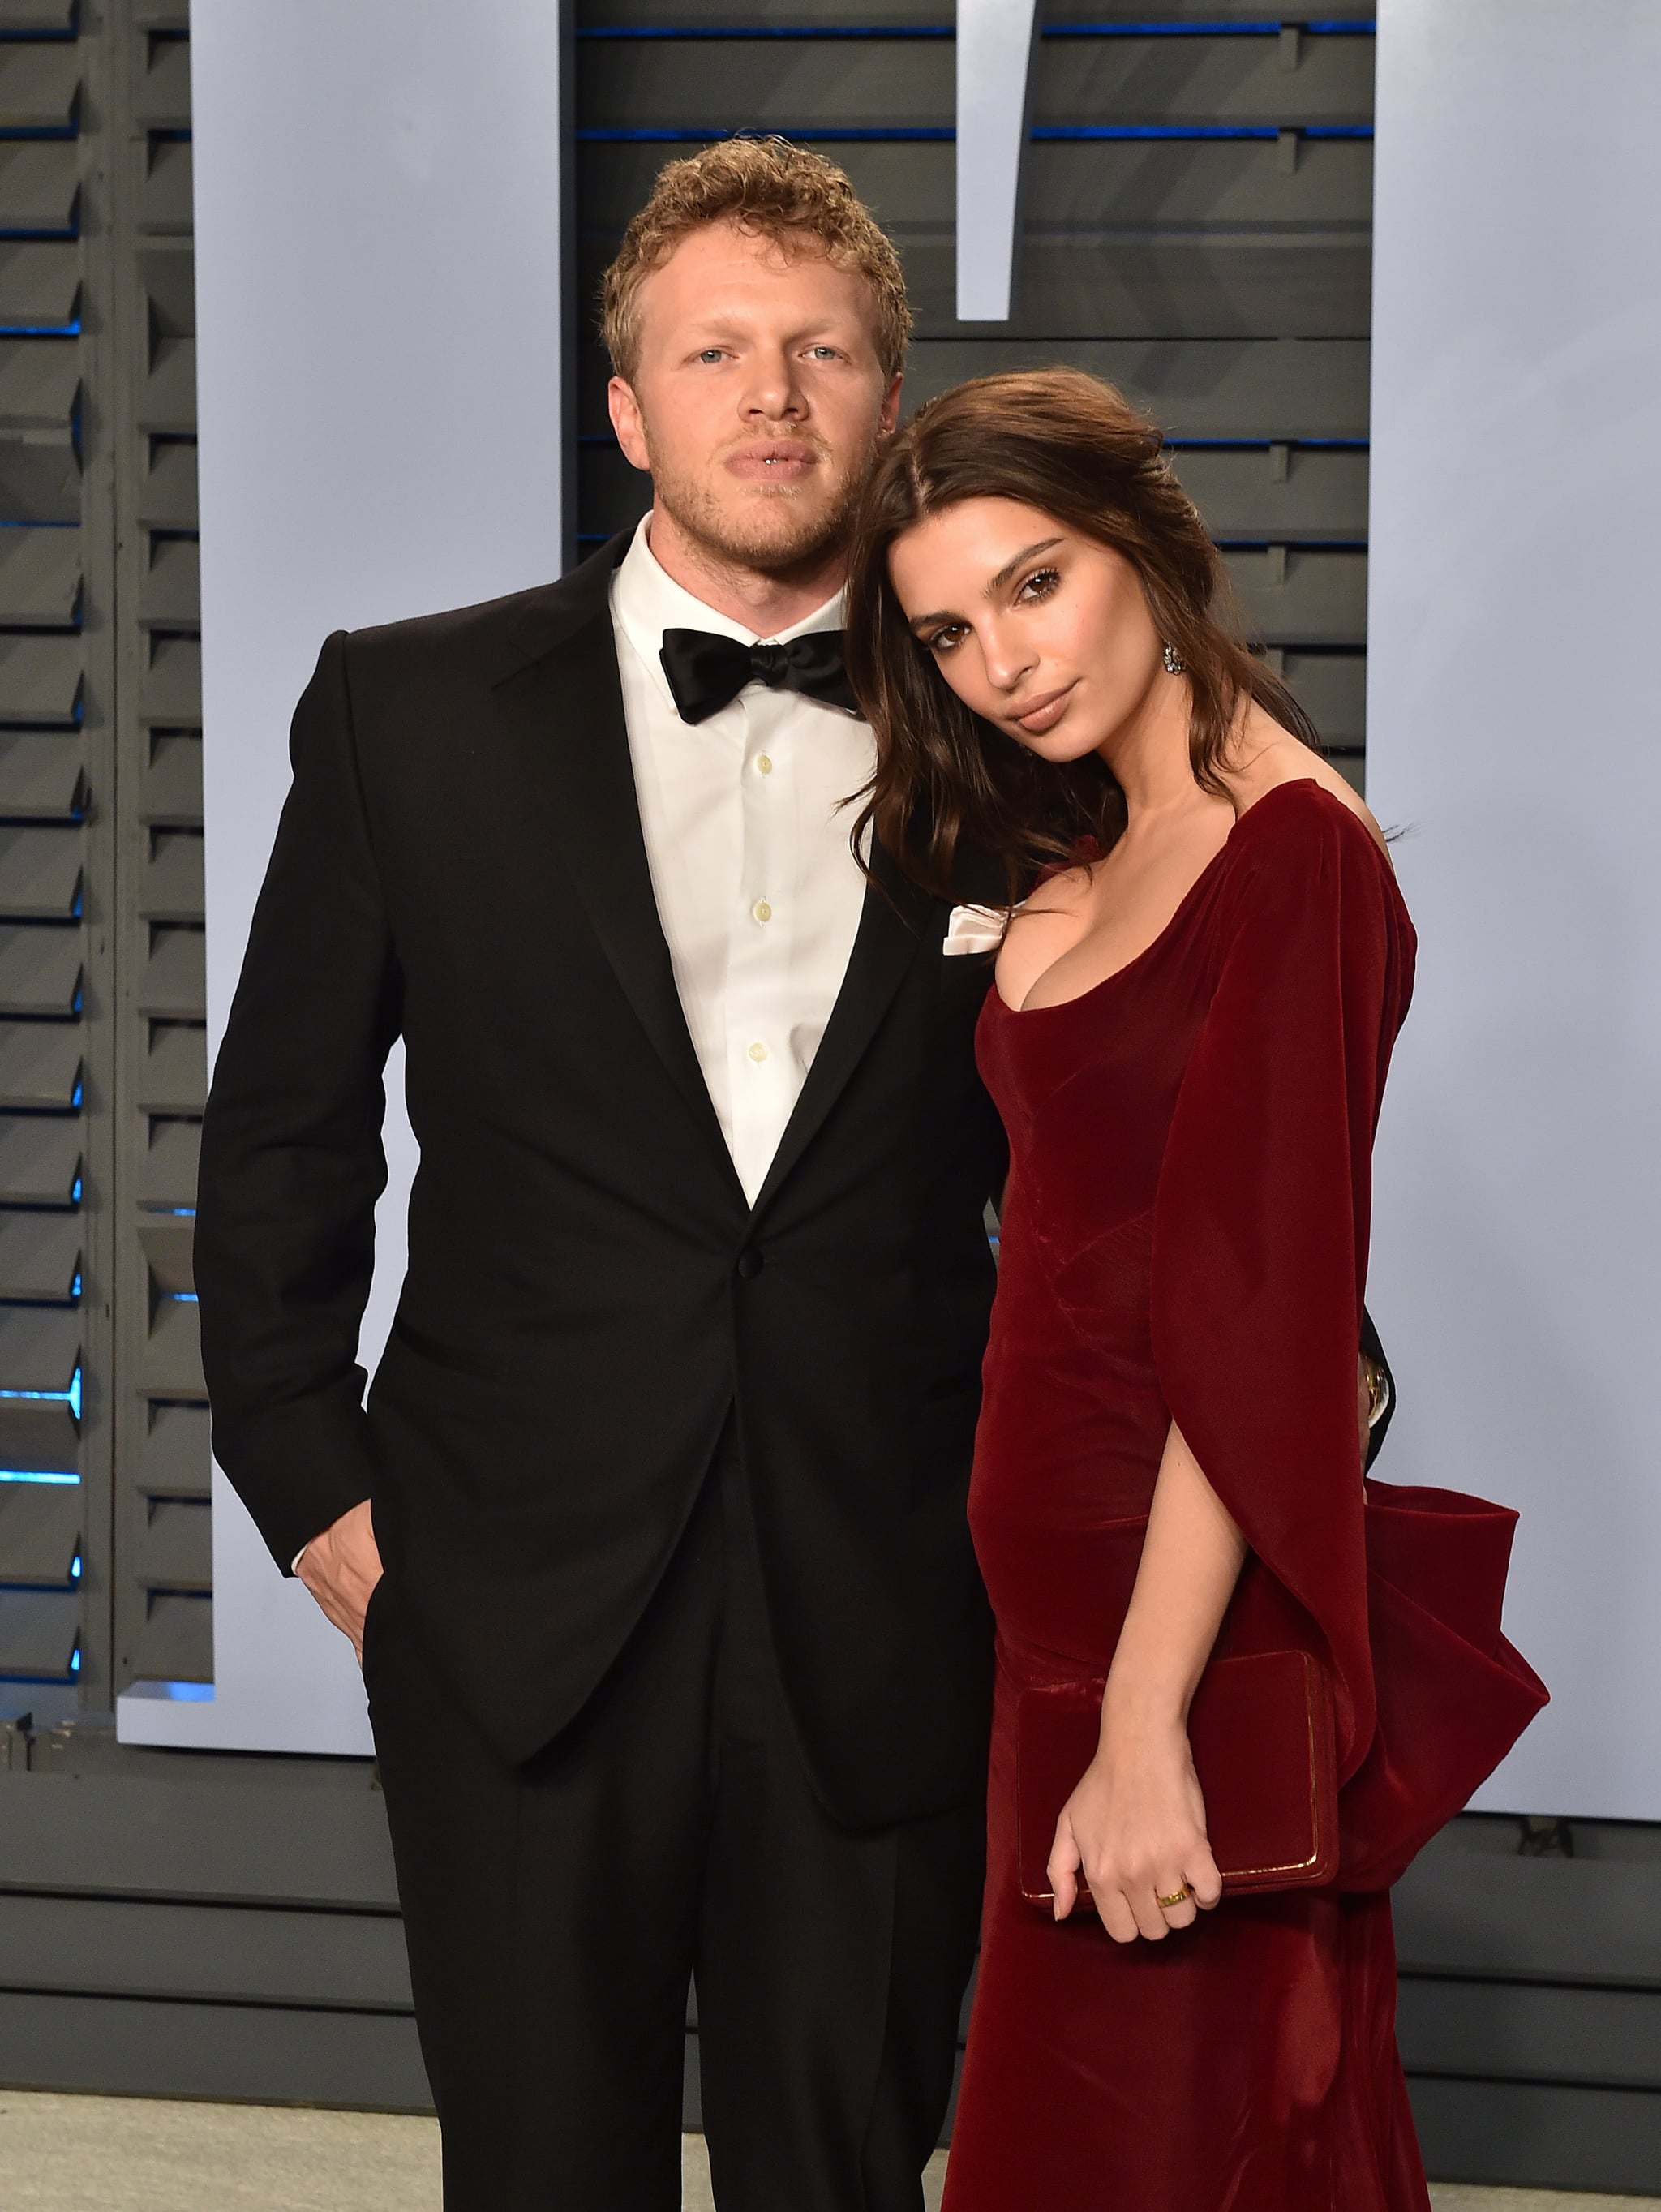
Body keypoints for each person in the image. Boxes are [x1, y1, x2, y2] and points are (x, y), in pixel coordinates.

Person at [192, 140, 1010, 2212]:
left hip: (890, 1586)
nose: (771, 394)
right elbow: (284, 1130)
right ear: (628, 406)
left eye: (821, 351)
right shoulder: (406, 707)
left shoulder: (1015, 730)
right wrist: (318, 1495)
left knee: (844, 2175)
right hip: (505, 1597)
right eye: (715, 350)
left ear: (886, 400)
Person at [843, 367, 1544, 2211]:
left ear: (1147, 549)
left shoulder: (1292, 854)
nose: (999, 659)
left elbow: (1266, 1324)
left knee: (1190, 2154)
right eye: (946, 629)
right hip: (1054, 1626)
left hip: (1177, 1637)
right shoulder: (1088, 838)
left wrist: (1147, 1718)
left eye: (1034, 581)